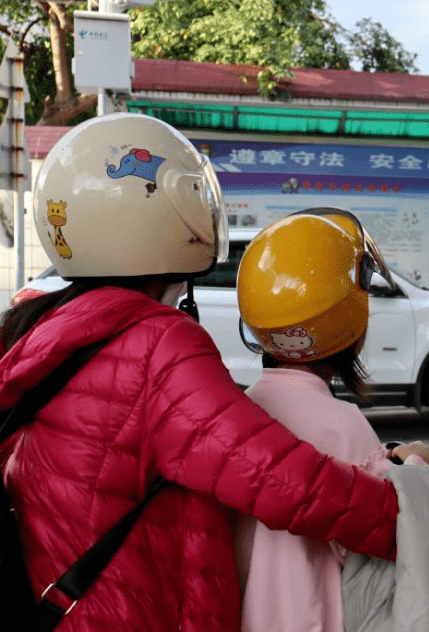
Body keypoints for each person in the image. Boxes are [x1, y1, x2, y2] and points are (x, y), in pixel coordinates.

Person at [0, 113, 399, 632]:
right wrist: (410, 520)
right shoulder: (155, 344)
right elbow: (282, 481)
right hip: (133, 612)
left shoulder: (39, 325)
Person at [232, 208, 429, 632]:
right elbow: (389, 525)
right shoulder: (343, 425)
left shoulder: (239, 412)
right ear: (349, 321)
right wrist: (417, 462)